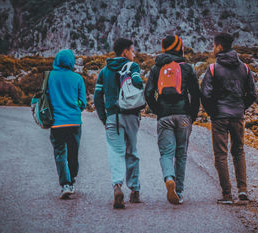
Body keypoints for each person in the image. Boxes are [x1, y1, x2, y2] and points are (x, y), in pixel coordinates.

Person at [200, 33, 256, 204]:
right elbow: (252, 94)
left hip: (220, 117)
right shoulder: (245, 68)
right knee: (239, 152)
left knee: (221, 155)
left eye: (214, 45)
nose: (213, 48)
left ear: (219, 47)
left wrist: (213, 112)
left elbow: (205, 94)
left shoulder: (212, 69)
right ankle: (243, 191)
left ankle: (226, 195)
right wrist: (241, 107)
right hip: (238, 116)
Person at [145, 35, 200, 205]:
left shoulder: (156, 68)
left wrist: (158, 111)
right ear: (178, 48)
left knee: (166, 153)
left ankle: (169, 178)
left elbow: (148, 93)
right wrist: (192, 115)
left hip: (165, 117)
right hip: (183, 116)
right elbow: (196, 94)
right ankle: (179, 191)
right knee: (181, 154)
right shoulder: (187, 68)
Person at [94, 38, 144, 209]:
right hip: (131, 116)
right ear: (125, 52)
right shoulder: (133, 67)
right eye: (132, 50)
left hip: (112, 117)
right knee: (132, 151)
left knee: (116, 152)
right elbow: (138, 84)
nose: (134, 53)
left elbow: (97, 97)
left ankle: (117, 186)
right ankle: (135, 190)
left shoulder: (104, 71)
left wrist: (103, 117)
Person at [48, 49, 87, 199]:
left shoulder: (49, 77)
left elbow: (45, 98)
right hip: (74, 122)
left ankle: (65, 184)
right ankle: (72, 180)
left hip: (56, 123)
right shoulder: (78, 79)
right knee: (73, 152)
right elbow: (82, 103)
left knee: (59, 153)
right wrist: (74, 103)